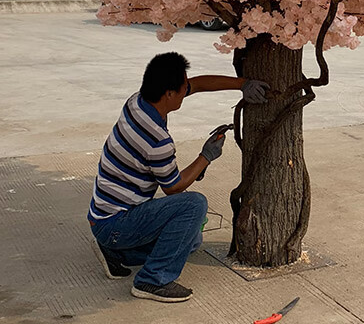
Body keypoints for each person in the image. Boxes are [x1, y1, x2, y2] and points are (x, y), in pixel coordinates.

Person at [88, 51, 270, 303]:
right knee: (193, 205)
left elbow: (199, 84)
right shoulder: (155, 138)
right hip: (116, 223)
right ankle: (152, 280)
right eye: (184, 87)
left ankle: (117, 254)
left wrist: (243, 84)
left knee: (191, 240)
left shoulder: (137, 101)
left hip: (102, 217)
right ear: (169, 94)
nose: (188, 88)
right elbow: (173, 188)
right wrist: (206, 156)